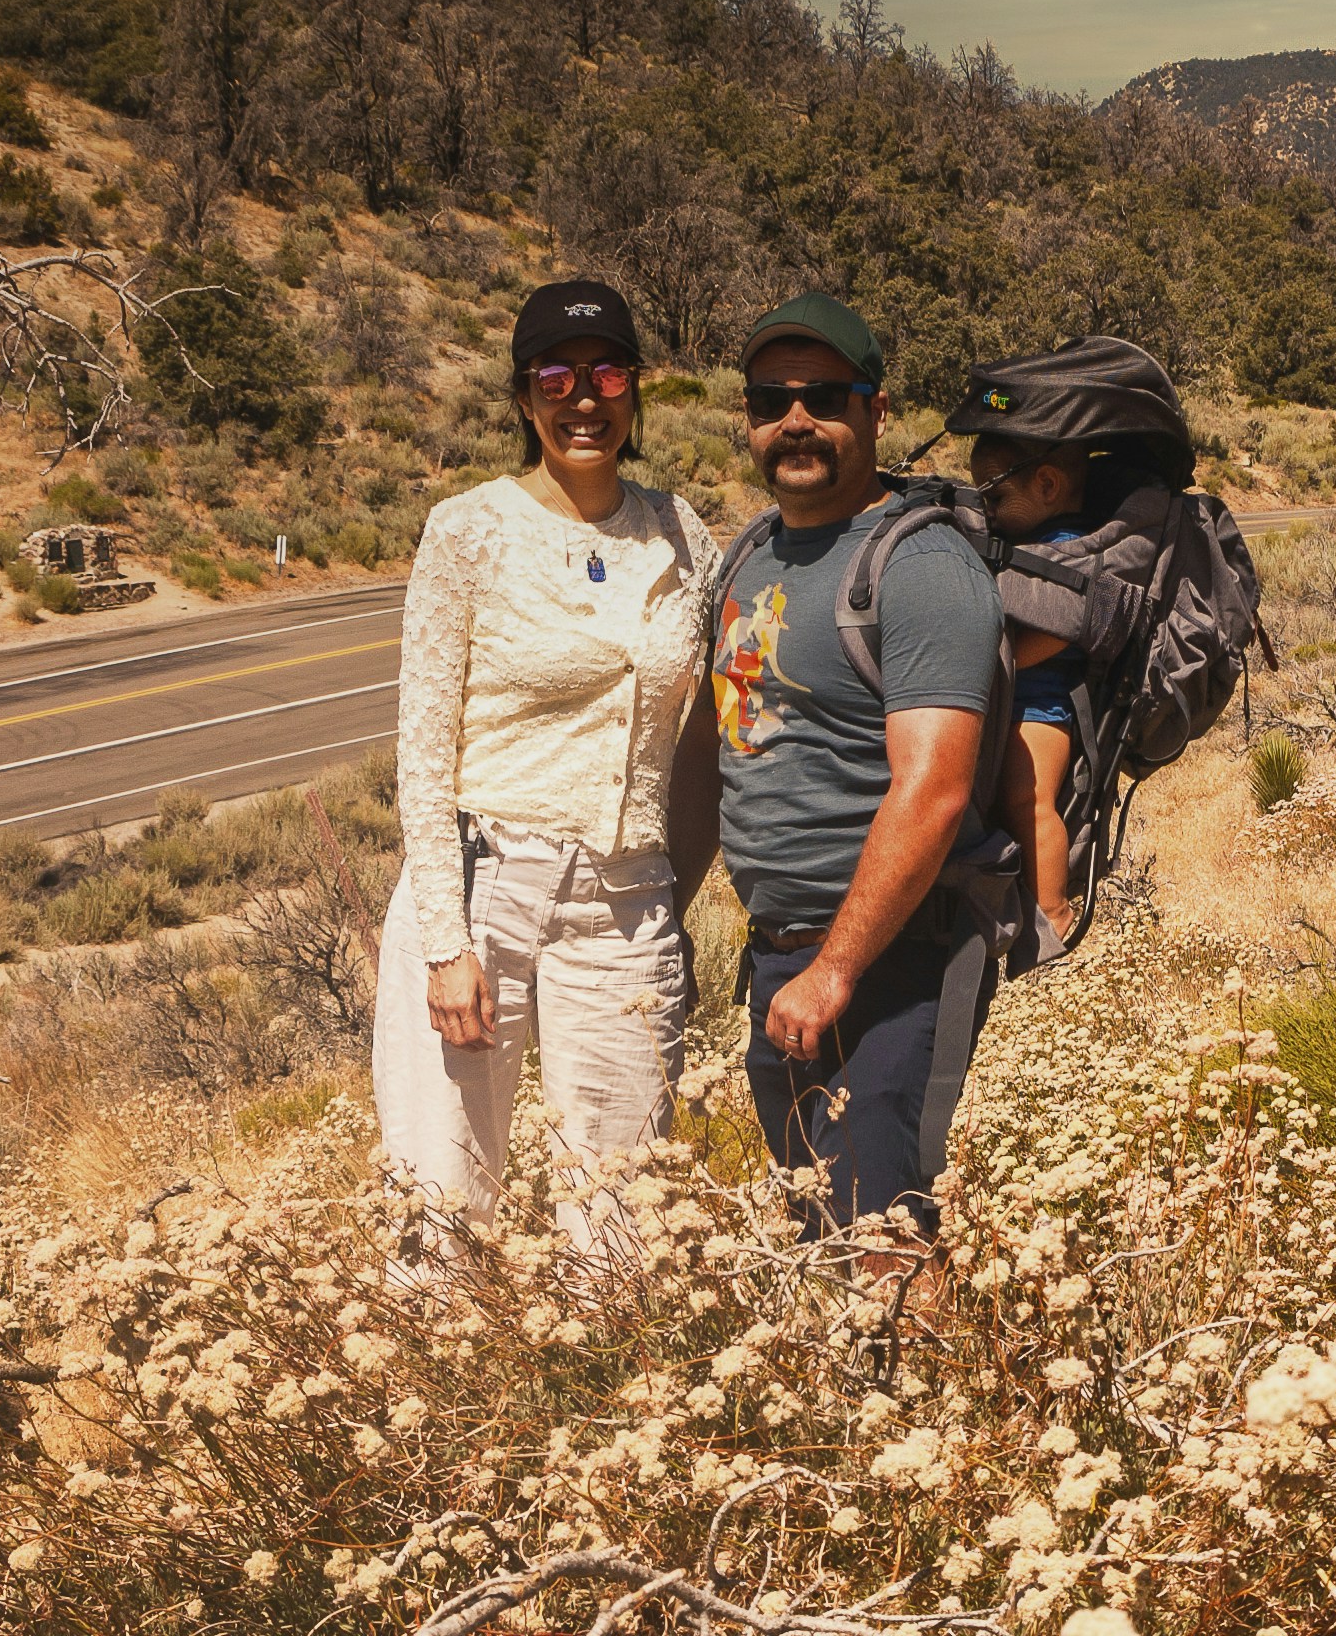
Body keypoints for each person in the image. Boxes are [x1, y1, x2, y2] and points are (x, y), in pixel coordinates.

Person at [372, 279, 721, 1250]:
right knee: (441, 1203)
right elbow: (421, 745)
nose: (584, 397)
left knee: (621, 1218)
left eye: (607, 371)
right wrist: (447, 943)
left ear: (636, 389)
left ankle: (601, 1400)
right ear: (524, 395)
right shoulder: (466, 529)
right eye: (556, 375)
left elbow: (724, 707)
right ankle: (435, 1394)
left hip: (626, 904)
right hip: (484, 891)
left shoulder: (681, 534)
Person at [709, 292, 1004, 1235]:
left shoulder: (920, 570)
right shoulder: (751, 555)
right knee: (818, 1238)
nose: (795, 420)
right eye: (770, 400)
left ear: (876, 412)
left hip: (888, 964)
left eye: (825, 395)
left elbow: (936, 787)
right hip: (781, 965)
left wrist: (836, 969)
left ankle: (936, 1386)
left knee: (885, 1242)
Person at [968, 432, 1098, 946]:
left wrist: (1001, 660)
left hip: (1042, 707)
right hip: (1010, 701)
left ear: (1046, 485)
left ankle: (1054, 911)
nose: (987, 510)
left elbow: (1063, 627)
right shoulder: (1025, 544)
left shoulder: (1069, 548)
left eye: (995, 496)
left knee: (1030, 799)